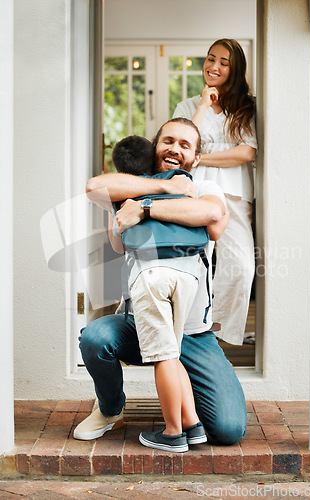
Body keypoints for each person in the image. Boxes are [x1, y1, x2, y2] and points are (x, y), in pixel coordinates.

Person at [73, 118, 247, 448]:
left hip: (193, 332)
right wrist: (162, 189)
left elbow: (211, 217)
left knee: (228, 430)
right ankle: (110, 408)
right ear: (155, 147)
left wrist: (146, 209)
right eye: (168, 141)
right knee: (95, 338)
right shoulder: (133, 189)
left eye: (185, 145)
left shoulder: (205, 188)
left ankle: (185, 409)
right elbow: (94, 186)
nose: (175, 149)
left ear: (196, 158)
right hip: (138, 321)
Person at [109, 134, 210, 452]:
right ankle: (192, 425)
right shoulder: (180, 181)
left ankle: (172, 433)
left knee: (163, 356)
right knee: (173, 352)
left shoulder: (124, 192)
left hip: (151, 275)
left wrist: (115, 220)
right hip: (186, 275)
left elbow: (119, 245)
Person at [173, 38, 258, 345]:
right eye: (211, 59)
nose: (214, 66)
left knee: (241, 266)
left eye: (224, 62)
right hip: (194, 194)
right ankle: (193, 328)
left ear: (235, 70)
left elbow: (246, 152)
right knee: (195, 261)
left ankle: (222, 331)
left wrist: (202, 158)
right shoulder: (187, 106)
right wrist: (203, 104)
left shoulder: (246, 107)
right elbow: (185, 141)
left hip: (234, 195)